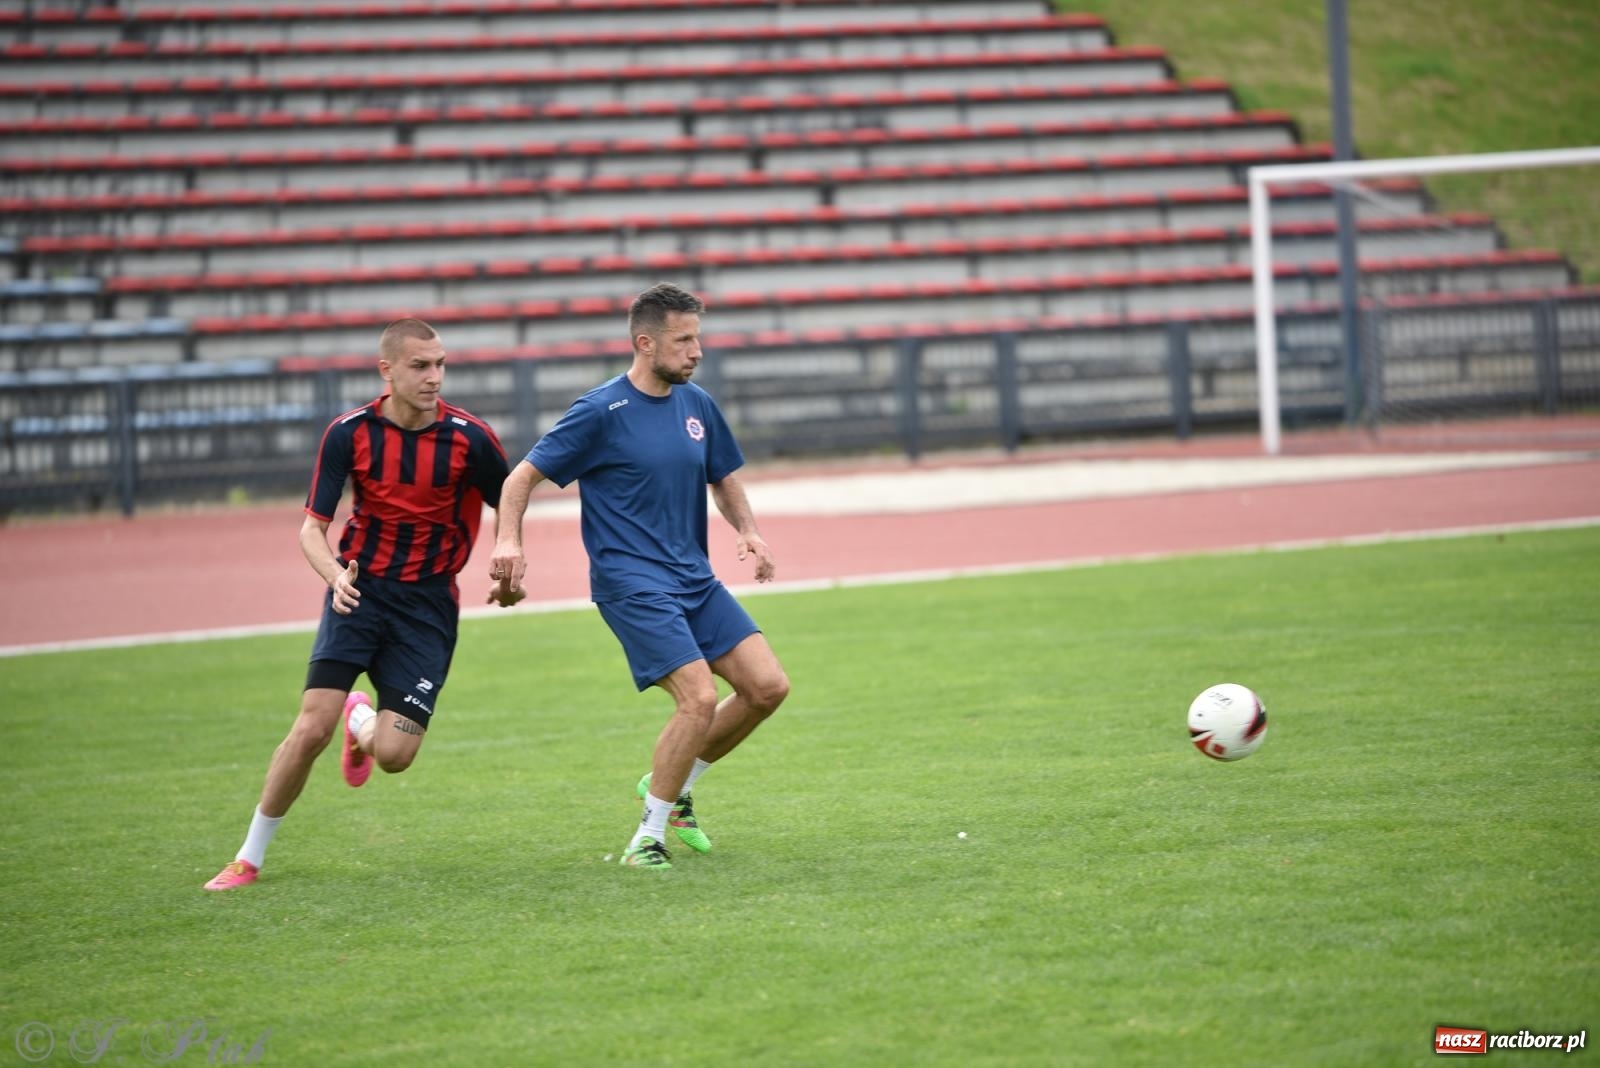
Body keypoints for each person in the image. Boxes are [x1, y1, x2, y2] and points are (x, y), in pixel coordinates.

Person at [204, 318, 522, 891]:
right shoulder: (348, 433)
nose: (434, 377)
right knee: (309, 729)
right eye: (421, 366)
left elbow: (511, 503)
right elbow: (311, 529)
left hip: (427, 608)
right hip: (359, 592)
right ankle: (247, 859)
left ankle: (363, 719)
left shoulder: (469, 438)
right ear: (388, 370)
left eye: (440, 364)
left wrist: (508, 560)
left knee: (396, 756)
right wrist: (333, 576)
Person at [491, 282, 790, 870]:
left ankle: (674, 786)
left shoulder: (698, 405)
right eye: (684, 340)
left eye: (698, 338)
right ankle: (646, 838)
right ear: (644, 342)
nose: (696, 350)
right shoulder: (600, 411)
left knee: (766, 688)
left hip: (693, 578)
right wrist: (508, 539)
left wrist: (747, 530)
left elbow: (723, 476)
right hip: (632, 582)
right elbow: (519, 479)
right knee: (699, 698)